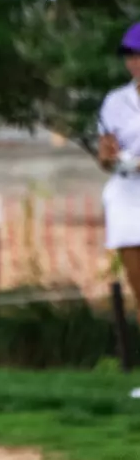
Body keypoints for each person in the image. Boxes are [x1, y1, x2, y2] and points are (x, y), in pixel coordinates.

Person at [97, 22, 140, 309]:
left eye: (138, 54)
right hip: (128, 194)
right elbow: (106, 154)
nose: (133, 62)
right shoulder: (115, 101)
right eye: (129, 55)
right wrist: (107, 154)